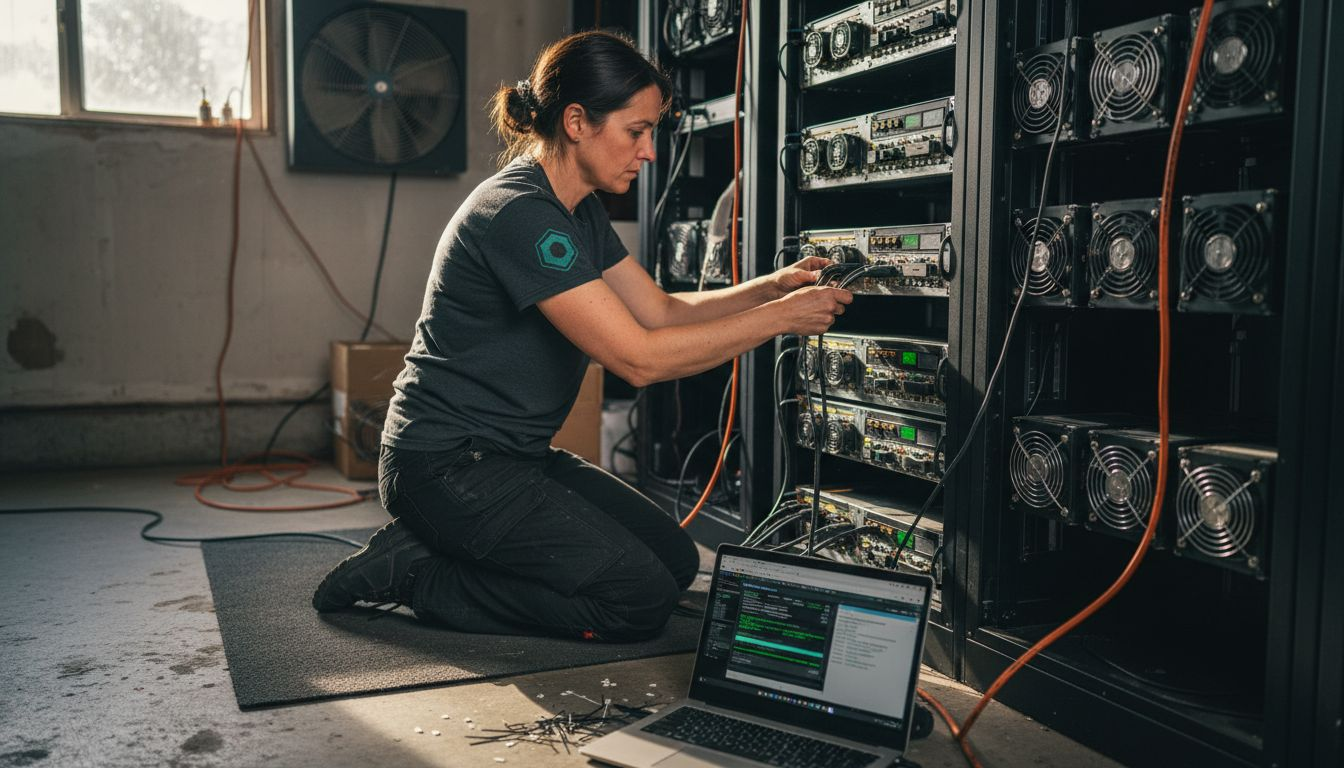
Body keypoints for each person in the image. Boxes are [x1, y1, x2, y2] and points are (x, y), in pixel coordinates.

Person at [311, 30, 851, 642]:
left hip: (513, 457)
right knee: (637, 602)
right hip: (444, 466)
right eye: (636, 131)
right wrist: (784, 319)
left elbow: (660, 311)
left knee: (675, 564)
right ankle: (417, 573)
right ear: (576, 122)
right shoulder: (519, 213)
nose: (648, 152)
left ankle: (454, 549)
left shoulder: (579, 208)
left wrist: (773, 289)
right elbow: (639, 360)